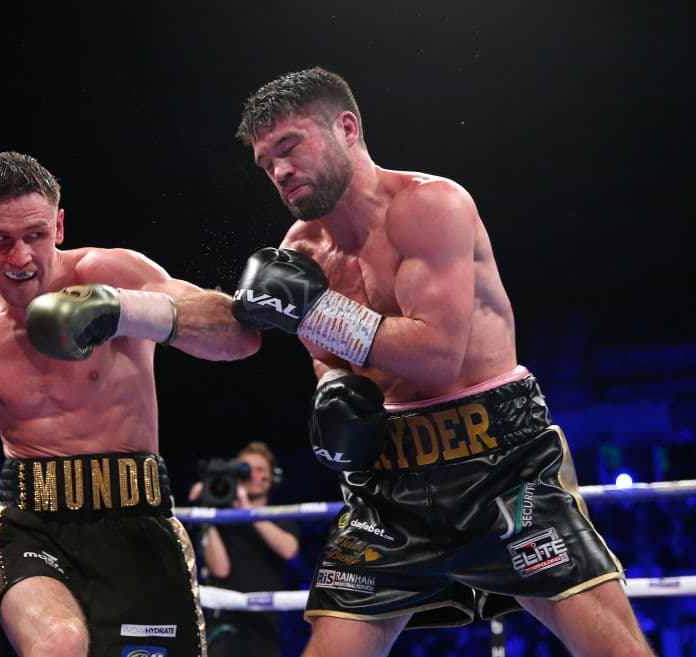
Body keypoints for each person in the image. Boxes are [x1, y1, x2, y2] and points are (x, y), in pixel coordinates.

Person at [230, 67, 654, 657]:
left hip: (499, 459)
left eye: (288, 147)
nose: (278, 170)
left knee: (615, 650)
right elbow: (329, 359)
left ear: (346, 127)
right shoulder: (301, 251)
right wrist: (332, 392)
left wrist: (313, 310)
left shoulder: (431, 205)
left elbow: (435, 354)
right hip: (390, 477)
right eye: (264, 163)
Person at [0, 150, 261, 657]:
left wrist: (121, 310)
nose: (20, 259)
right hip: (29, 522)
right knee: (58, 642)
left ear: (58, 225)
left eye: (35, 235)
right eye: (0, 240)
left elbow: (238, 337)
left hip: (140, 519)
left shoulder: (111, 271)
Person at [188, 441, 300, 657]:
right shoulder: (221, 521)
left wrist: (248, 510)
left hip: (266, 625)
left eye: (260, 470)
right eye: (246, 469)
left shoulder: (281, 517)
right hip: (225, 621)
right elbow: (220, 569)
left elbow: (289, 551)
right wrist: (205, 513)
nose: (252, 475)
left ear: (272, 478)